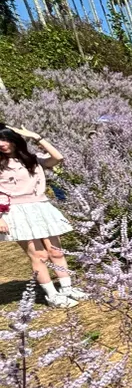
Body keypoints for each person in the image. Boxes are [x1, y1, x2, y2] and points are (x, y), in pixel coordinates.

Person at [0, 125, 88, 308]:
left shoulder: (32, 159)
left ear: (14, 140)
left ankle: (67, 288)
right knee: (39, 255)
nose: (2, 144)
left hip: (41, 207)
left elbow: (58, 158)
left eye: (5, 139)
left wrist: (36, 136)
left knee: (56, 251)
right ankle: (52, 295)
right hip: (15, 211)